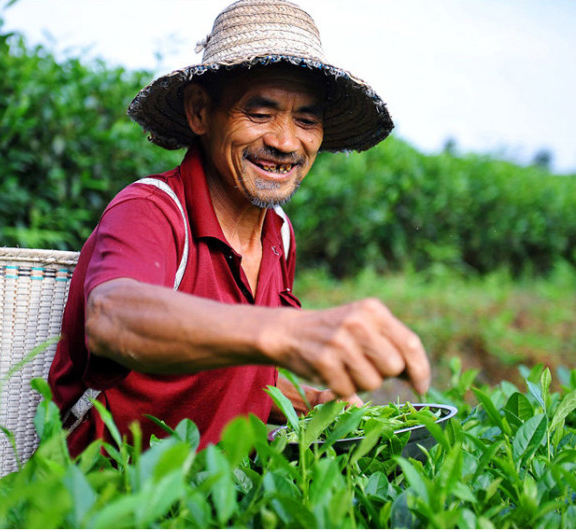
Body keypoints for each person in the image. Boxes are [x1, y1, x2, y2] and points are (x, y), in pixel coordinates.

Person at [48, 0, 431, 457]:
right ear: (199, 113)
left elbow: (235, 372)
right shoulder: (151, 208)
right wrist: (287, 332)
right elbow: (113, 319)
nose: (286, 142)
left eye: (306, 120)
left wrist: (310, 403)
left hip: (215, 491)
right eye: (259, 113)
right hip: (114, 496)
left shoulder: (279, 234)